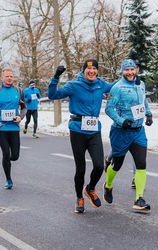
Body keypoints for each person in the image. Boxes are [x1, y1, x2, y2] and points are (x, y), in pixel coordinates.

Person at [48, 59, 112, 213]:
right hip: (77, 130)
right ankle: (79, 197)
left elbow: (118, 87)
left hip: (94, 129)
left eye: (94, 69)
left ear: (97, 71)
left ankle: (90, 189)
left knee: (98, 165)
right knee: (81, 168)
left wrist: (132, 76)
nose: (92, 71)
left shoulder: (101, 84)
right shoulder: (74, 85)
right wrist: (56, 76)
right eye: (88, 69)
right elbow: (52, 95)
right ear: (84, 71)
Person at [103, 59, 153, 212]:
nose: (130, 73)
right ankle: (108, 185)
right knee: (117, 164)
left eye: (132, 69)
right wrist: (121, 121)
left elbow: (144, 101)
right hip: (121, 132)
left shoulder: (140, 84)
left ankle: (139, 198)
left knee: (141, 164)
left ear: (136, 70)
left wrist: (149, 114)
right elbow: (109, 109)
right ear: (122, 71)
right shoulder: (117, 88)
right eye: (127, 70)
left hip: (138, 132)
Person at [0, 68, 26, 189]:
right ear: (2, 78)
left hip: (14, 127)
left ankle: (7, 161)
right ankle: (8, 179)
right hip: (1, 127)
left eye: (11, 76)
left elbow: (24, 108)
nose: (9, 78)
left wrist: (20, 116)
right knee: (6, 153)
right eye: (7, 76)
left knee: (15, 156)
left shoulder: (19, 91)